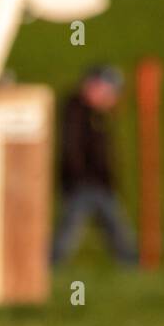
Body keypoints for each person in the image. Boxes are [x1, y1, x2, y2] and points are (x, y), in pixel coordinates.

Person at [50, 65, 137, 266]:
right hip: (81, 183)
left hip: (99, 183)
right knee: (70, 230)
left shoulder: (96, 115)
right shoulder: (75, 111)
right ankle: (51, 264)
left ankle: (131, 264)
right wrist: (78, 175)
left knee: (115, 228)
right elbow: (71, 147)